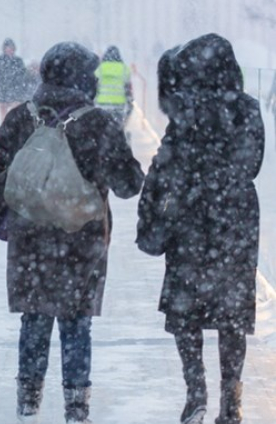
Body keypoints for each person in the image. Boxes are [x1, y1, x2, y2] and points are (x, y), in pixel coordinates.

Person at [0, 41, 144, 423]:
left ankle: (28, 404)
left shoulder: (21, 119)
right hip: (83, 239)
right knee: (76, 322)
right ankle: (77, 407)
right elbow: (128, 184)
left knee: (35, 319)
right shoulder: (97, 123)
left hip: (31, 240)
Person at [136, 34, 265, 424]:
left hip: (189, 221)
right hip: (236, 222)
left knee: (186, 312)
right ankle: (232, 401)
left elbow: (166, 164)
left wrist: (152, 210)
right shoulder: (247, 109)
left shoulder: (186, 109)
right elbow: (252, 164)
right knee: (232, 318)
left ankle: (196, 394)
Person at [0, 38, 32, 120]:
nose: (9, 50)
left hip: (16, 95)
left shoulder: (18, 61)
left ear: (14, 49)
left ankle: (14, 130)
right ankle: (4, 130)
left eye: (11, 48)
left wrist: (20, 88)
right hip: (3, 94)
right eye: (8, 48)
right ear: (4, 49)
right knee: (4, 118)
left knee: (16, 116)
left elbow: (24, 77)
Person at [94, 46, 133, 131]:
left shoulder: (99, 69)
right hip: (118, 105)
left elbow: (95, 86)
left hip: (101, 104)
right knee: (117, 128)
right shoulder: (124, 69)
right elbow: (128, 90)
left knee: (101, 128)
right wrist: (130, 103)